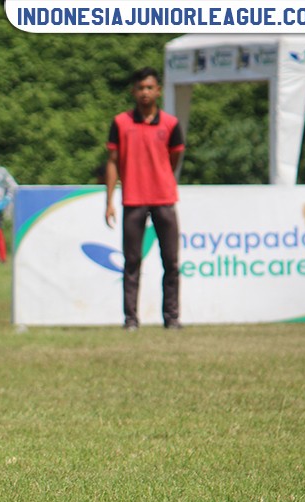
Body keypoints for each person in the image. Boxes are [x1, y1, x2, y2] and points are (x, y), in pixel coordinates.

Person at [105, 67, 185, 330]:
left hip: (163, 197)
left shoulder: (171, 124)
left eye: (150, 87)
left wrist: (160, 177)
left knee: (171, 262)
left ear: (158, 90)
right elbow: (113, 162)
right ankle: (131, 319)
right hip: (133, 199)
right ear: (134, 91)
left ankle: (171, 318)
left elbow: (173, 158)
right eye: (140, 88)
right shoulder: (120, 123)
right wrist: (109, 201)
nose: (145, 93)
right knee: (132, 261)